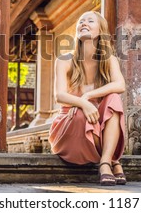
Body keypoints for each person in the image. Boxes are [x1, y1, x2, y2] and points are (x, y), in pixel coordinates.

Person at [49, 11, 126, 186]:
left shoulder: (109, 60)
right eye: (81, 21)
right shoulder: (65, 60)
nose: (83, 23)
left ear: (101, 31)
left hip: (96, 122)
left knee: (113, 98)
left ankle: (105, 162)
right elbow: (59, 96)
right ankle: (114, 161)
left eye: (90, 21)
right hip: (70, 124)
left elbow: (120, 85)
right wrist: (83, 103)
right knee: (82, 114)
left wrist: (89, 96)